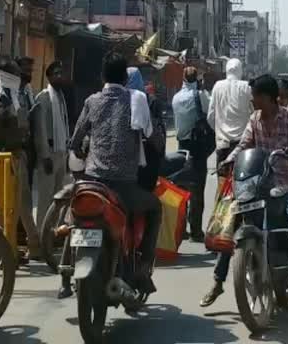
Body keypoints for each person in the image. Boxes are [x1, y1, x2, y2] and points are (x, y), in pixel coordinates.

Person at [199, 75, 288, 324]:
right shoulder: (254, 119)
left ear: (269, 98)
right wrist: (228, 159)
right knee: (230, 227)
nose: (252, 99)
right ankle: (218, 281)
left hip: (284, 186)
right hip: (257, 186)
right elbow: (244, 145)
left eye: (256, 95)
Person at [69, 52, 161, 293]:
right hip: (122, 186)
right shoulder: (137, 100)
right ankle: (142, 268)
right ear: (125, 78)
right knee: (155, 208)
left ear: (102, 76)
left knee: (73, 215)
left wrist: (83, 155)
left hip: (92, 183)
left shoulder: (91, 101)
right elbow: (153, 139)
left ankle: (66, 271)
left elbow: (75, 142)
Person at [0, 59, 40, 259]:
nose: (21, 77)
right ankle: (2, 250)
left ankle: (33, 245)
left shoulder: (16, 96)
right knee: (7, 204)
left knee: (23, 202)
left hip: (19, 153)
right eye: (17, 73)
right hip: (7, 157)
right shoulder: (0, 97)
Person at [172, 66, 211, 241]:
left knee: (181, 189)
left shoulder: (176, 97)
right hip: (198, 146)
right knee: (197, 189)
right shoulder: (201, 96)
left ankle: (180, 230)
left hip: (182, 146)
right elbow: (210, 114)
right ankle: (195, 230)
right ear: (197, 79)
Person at [31, 61, 70, 229]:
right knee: (46, 198)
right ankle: (41, 235)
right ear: (49, 76)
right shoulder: (43, 97)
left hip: (61, 152)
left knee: (58, 198)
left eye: (61, 73)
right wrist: (45, 156)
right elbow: (40, 131)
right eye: (56, 74)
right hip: (49, 154)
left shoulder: (61, 97)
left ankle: (52, 234)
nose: (59, 76)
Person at [208, 58, 253, 168]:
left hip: (222, 143)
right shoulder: (246, 87)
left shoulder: (217, 86)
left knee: (222, 180)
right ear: (240, 70)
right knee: (240, 180)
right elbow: (254, 114)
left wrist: (219, 131)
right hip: (241, 144)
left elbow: (210, 116)